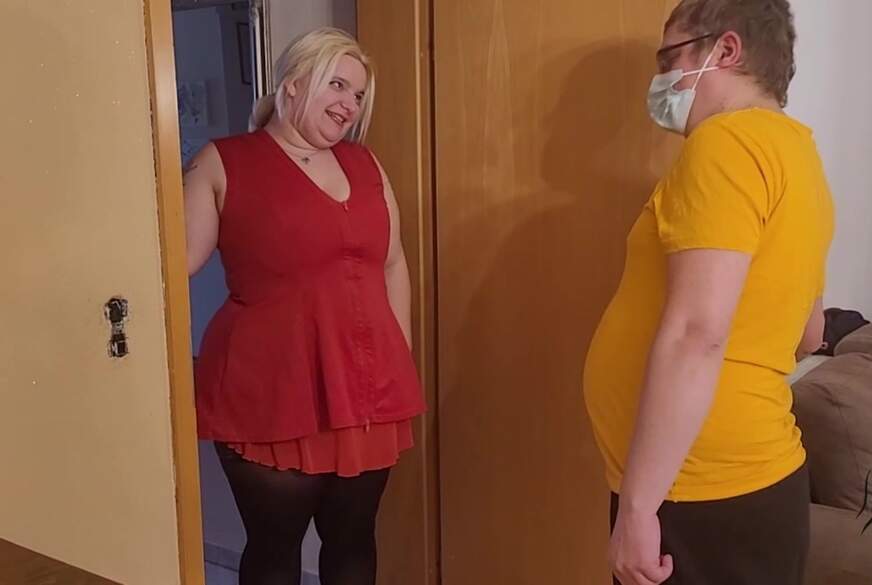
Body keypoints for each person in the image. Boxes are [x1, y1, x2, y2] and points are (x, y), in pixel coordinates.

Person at [583, 1, 833, 584]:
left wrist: (639, 507)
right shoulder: (799, 156)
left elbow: (697, 333)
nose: (659, 80)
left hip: (698, 490)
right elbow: (810, 333)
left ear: (725, 49)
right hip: (752, 485)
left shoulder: (726, 144)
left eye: (667, 58)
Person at [184, 27, 426, 585]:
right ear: (292, 82)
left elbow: (393, 264)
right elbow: (175, 264)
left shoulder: (365, 164)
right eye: (337, 85)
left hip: (366, 390)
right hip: (267, 389)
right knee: (275, 552)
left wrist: (399, 360)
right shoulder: (223, 162)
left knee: (353, 543)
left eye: (358, 95)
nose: (349, 105)